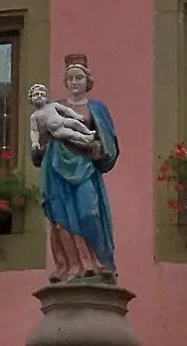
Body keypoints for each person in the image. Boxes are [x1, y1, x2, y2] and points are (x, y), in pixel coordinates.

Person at [28, 53, 120, 279]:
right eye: (70, 79)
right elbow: (38, 134)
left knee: (89, 212)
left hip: (85, 166)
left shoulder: (97, 109)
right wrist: (37, 148)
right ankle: (72, 266)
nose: (74, 82)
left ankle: (97, 262)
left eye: (79, 78)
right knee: (61, 218)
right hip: (57, 166)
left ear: (87, 81)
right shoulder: (54, 106)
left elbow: (108, 141)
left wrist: (98, 147)